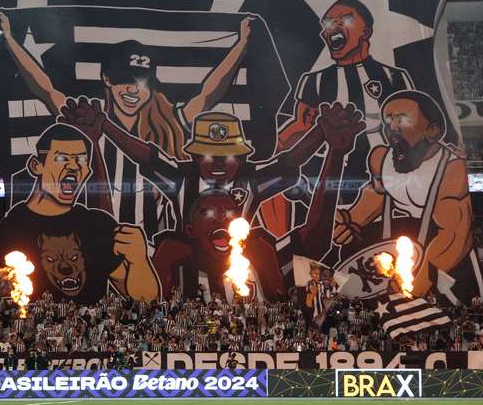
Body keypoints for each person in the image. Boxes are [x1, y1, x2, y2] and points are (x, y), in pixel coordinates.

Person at [0, 11, 255, 236]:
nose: (133, 90)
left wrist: (242, 44)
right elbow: (45, 89)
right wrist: (9, 41)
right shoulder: (86, 118)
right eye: (124, 80)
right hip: (94, 237)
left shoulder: (169, 123)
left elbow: (209, 94)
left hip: (155, 242)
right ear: (107, 79)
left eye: (141, 83)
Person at [149, 104, 363, 302]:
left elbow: (315, 241)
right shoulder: (171, 258)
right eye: (208, 213)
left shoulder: (261, 252)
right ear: (190, 230)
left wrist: (335, 154)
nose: (222, 219)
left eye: (231, 212)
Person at [61, 97, 358, 230]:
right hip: (187, 262)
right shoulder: (183, 180)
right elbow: (147, 156)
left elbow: (287, 163)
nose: (217, 164)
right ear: (193, 156)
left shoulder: (251, 181)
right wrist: (105, 125)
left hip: (239, 263)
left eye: (226, 155)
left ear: (241, 159)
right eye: (207, 155)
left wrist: (321, 133)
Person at [259, 0, 415, 237]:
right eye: (328, 23)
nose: (333, 28)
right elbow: (296, 132)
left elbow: (411, 132)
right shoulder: (314, 81)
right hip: (324, 193)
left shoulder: (395, 78)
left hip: (383, 196)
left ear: (366, 31)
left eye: (345, 20)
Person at [0, 123, 159, 304]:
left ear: (87, 171)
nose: (73, 166)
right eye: (62, 158)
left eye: (81, 159)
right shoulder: (13, 227)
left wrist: (139, 261)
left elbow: (144, 302)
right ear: (37, 166)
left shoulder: (98, 223)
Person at [331, 90, 483, 305]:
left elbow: (455, 235)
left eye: (402, 119)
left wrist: (416, 285)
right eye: (389, 120)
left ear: (433, 130)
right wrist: (350, 219)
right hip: (406, 242)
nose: (392, 128)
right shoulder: (380, 157)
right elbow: (377, 195)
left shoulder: (452, 169)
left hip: (441, 255)